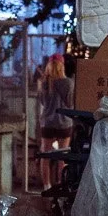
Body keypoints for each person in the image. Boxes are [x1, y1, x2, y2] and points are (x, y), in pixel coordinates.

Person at [37, 53, 76, 186]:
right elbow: (70, 104)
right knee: (62, 156)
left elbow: (42, 102)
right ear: (62, 66)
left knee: (46, 155)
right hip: (64, 123)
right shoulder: (68, 83)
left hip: (47, 123)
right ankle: (60, 184)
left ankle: (46, 186)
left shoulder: (43, 83)